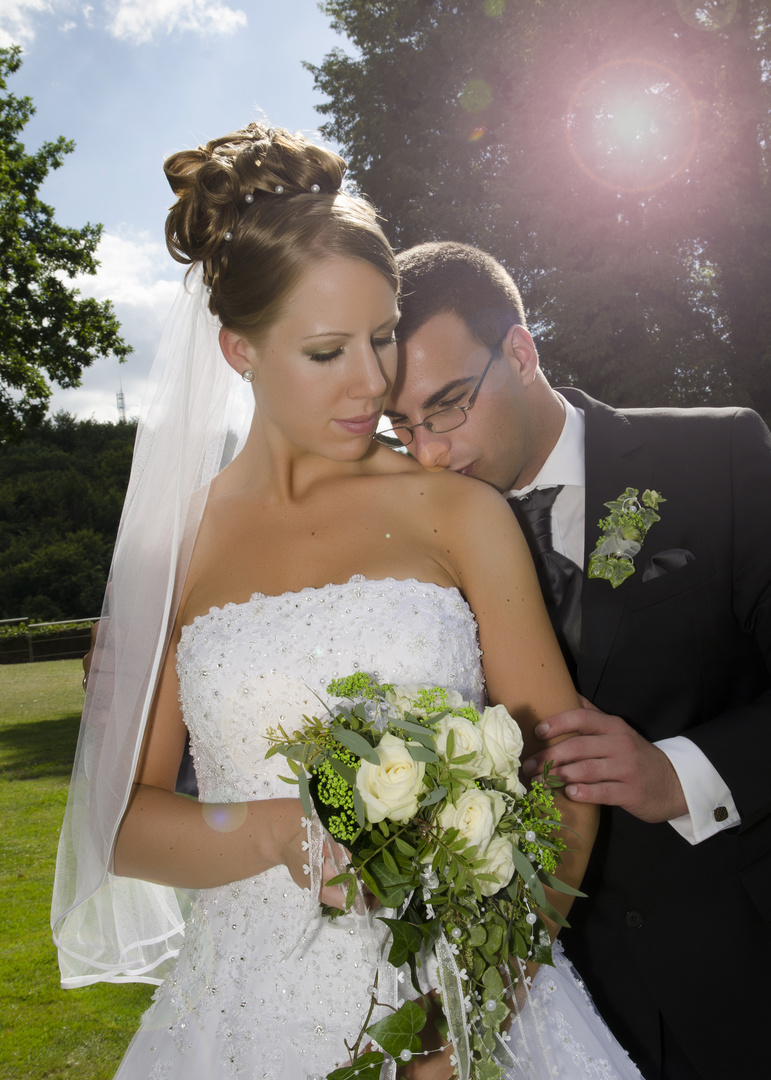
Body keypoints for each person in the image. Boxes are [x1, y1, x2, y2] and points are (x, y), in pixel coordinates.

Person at [51, 126, 643, 1080]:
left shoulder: (457, 511)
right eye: (328, 351)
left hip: (471, 1003)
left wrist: (469, 1022)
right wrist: (295, 828)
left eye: (381, 338)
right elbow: (120, 827)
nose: (373, 383)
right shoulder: (171, 550)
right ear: (238, 349)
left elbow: (564, 781)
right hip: (241, 1019)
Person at [383, 241, 771, 1080]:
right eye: (401, 426)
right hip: (545, 1008)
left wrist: (684, 774)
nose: (429, 454)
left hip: (738, 977)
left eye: (445, 405)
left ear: (519, 351)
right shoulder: (403, 545)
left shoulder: (718, 460)